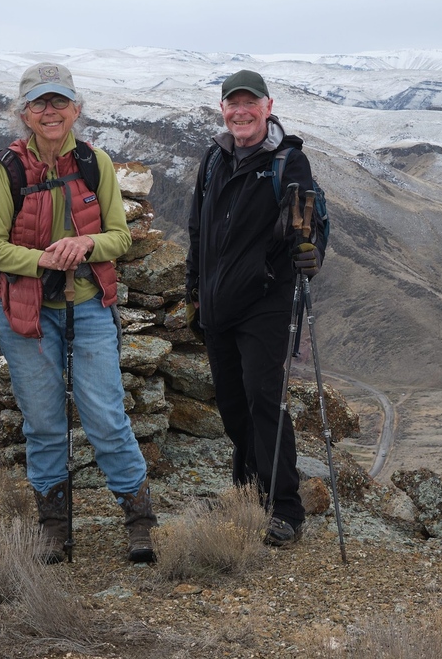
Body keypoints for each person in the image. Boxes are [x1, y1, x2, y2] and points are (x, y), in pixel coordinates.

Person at [0, 62, 157, 564]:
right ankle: (55, 529)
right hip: (25, 314)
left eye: (59, 101)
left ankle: (139, 522)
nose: (50, 111)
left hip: (87, 309)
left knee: (105, 415)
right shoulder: (8, 170)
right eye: (40, 103)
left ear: (76, 108)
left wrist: (85, 243)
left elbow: (120, 237)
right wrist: (43, 259)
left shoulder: (94, 162)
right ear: (25, 114)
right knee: (42, 422)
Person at [185, 69, 322, 546]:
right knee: (231, 406)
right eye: (232, 103)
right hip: (217, 305)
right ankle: (248, 492)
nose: (240, 112)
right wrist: (193, 290)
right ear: (222, 109)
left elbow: (314, 219)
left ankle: (285, 508)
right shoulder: (213, 159)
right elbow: (198, 231)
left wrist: (313, 252)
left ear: (268, 106)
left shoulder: (289, 161)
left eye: (250, 103)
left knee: (264, 402)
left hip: (265, 303)